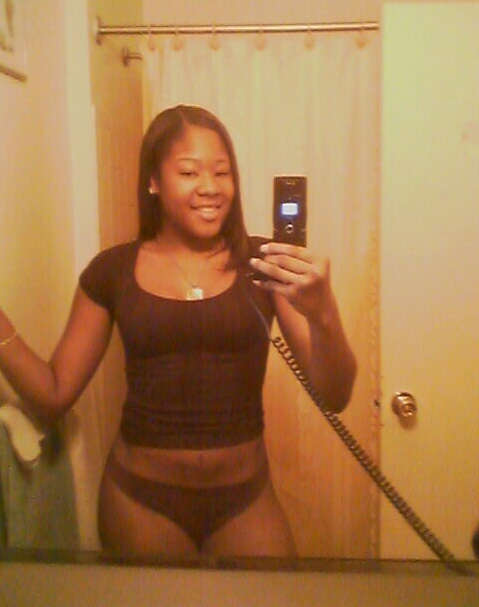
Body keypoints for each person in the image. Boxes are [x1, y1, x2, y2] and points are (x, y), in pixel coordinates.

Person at [0, 105, 356, 558]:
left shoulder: (266, 263)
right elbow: (53, 394)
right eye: (189, 172)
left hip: (245, 499)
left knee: (275, 590)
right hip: (140, 501)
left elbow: (335, 394)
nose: (210, 187)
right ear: (153, 181)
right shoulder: (111, 271)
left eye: (222, 172)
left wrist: (324, 313)